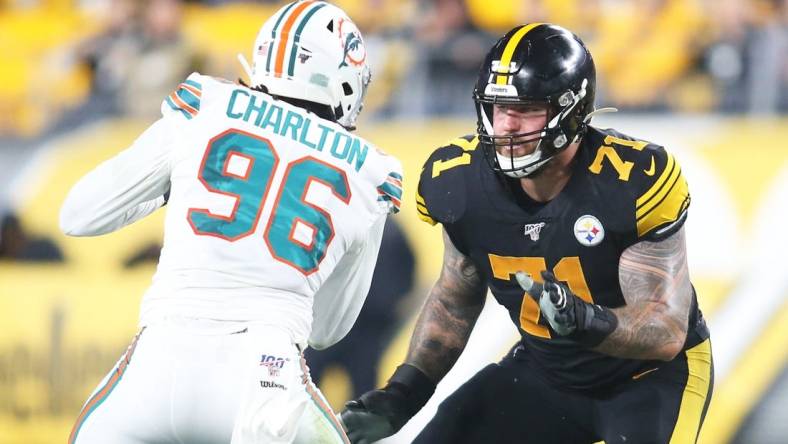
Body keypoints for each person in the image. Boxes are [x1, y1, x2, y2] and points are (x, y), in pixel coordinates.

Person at [341, 23, 712, 444]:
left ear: (572, 110)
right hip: (547, 372)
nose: (508, 126)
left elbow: (664, 331)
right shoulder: (458, 180)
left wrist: (586, 321)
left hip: (647, 380)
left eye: (527, 109)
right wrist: (402, 396)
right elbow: (454, 301)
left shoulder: (630, 180)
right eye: (499, 108)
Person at [60, 2, 403, 443]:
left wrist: (170, 188)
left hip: (156, 362)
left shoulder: (208, 104)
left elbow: (78, 215)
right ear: (345, 79)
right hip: (264, 376)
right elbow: (327, 330)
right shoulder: (370, 171)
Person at [305, 219, 416, 399]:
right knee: (311, 383)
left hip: (364, 326)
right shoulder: (388, 229)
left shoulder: (390, 231)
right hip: (336, 321)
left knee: (359, 390)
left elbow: (408, 270)